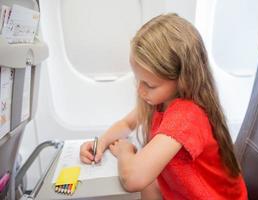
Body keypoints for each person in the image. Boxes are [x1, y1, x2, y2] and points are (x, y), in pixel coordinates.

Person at [80, 13, 247, 200]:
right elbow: (127, 124)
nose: (140, 91)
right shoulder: (158, 100)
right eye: (138, 80)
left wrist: (125, 151)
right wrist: (100, 144)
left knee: (146, 176)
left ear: (181, 80)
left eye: (149, 85)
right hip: (185, 190)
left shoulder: (187, 115)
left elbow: (132, 179)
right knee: (153, 179)